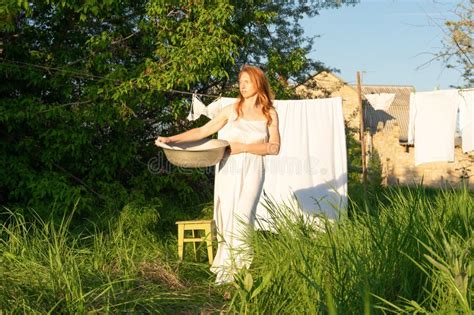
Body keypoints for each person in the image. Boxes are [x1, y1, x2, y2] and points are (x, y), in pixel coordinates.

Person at [155, 65, 280, 284]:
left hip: (253, 168)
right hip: (228, 167)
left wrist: (243, 147)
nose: (242, 86)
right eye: (240, 81)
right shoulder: (231, 109)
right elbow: (202, 132)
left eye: (247, 81)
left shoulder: (269, 112)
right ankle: (227, 271)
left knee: (243, 215)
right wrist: (172, 139)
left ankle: (240, 270)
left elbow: (274, 148)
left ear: (258, 83)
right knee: (227, 216)